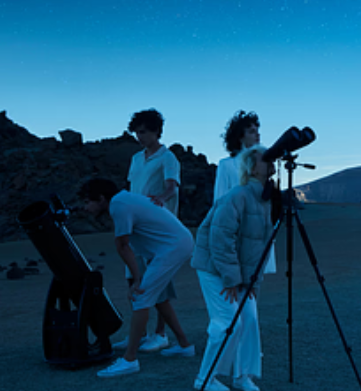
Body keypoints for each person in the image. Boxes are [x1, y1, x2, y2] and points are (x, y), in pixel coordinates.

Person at [80, 178, 196, 378]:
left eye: (87, 202)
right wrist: (138, 277)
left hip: (172, 248)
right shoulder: (124, 200)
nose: (85, 207)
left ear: (100, 199)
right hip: (169, 246)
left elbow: (123, 245)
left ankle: (129, 359)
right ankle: (185, 345)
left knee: (141, 296)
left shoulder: (118, 205)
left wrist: (136, 280)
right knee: (158, 298)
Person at [192, 144, 274, 391]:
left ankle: (243, 375)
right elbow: (219, 238)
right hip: (213, 266)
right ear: (251, 168)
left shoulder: (265, 200)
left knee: (249, 318)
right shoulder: (238, 195)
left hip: (236, 271)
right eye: (264, 159)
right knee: (227, 322)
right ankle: (205, 380)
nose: (270, 162)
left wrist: (252, 282)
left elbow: (259, 247)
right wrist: (231, 279)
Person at [112, 108, 182, 352]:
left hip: (159, 229)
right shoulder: (135, 158)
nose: (139, 136)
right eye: (137, 132)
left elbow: (172, 187)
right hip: (136, 227)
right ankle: (138, 333)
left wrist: (161, 198)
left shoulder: (168, 157)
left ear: (156, 131)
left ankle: (161, 334)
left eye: (144, 131)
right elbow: (132, 189)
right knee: (133, 277)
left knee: (160, 281)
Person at [214, 111, 276, 275]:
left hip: (258, 228)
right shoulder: (227, 165)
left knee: (256, 279)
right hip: (236, 228)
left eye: (257, 130)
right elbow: (219, 199)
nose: (257, 134)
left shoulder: (264, 165)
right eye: (251, 131)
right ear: (240, 136)